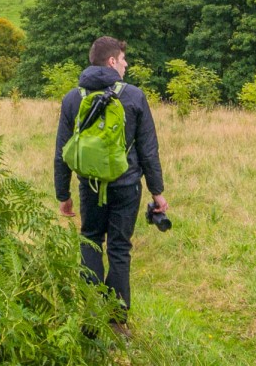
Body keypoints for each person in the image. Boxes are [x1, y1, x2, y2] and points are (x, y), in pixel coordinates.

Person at [54, 36, 167, 317]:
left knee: (90, 240)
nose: (127, 65)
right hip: (127, 186)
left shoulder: (72, 98)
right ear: (112, 61)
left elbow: (61, 151)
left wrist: (63, 196)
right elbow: (148, 150)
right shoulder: (133, 96)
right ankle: (116, 320)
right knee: (119, 248)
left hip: (89, 186)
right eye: (124, 59)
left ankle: (91, 316)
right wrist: (157, 193)